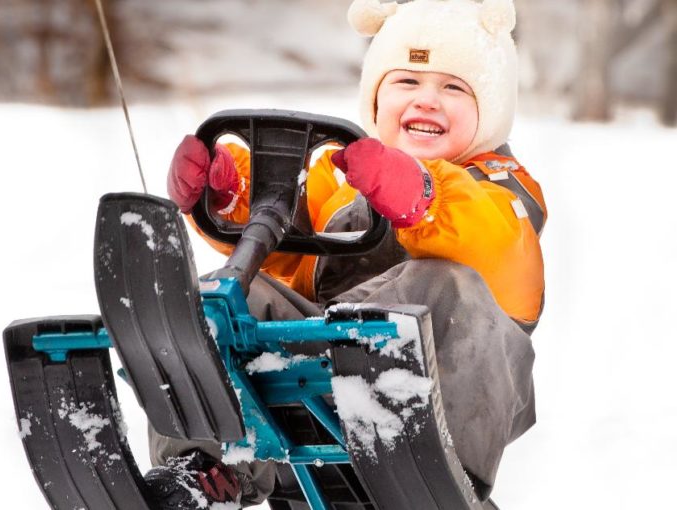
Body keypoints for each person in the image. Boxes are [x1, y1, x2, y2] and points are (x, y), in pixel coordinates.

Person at [146, 0, 546, 507]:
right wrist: (228, 194)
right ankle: (205, 463)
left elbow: (498, 244)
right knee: (223, 300)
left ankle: (437, 478)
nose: (427, 101)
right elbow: (289, 257)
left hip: (440, 392)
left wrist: (422, 196)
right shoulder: (340, 183)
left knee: (446, 284)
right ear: (376, 101)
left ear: (489, 109)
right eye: (406, 82)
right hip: (323, 375)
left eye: (453, 87)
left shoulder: (501, 186)